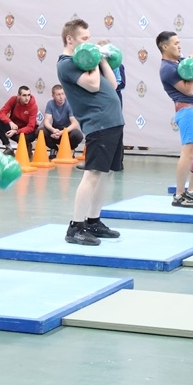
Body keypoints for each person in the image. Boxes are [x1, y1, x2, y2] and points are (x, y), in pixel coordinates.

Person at [57, 18, 124, 246]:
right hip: (98, 123)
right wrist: (93, 59)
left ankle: (93, 221)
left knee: (107, 173)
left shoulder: (86, 61)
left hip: (113, 121)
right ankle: (75, 227)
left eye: (89, 39)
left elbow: (112, 84)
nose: (89, 43)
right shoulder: (67, 64)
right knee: (93, 173)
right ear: (70, 39)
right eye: (84, 39)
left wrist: (102, 58)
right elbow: (93, 85)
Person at [156, 31, 193, 208]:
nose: (179, 46)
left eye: (179, 42)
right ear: (165, 46)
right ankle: (179, 195)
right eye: (175, 43)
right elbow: (188, 91)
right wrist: (192, 66)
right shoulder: (167, 68)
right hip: (188, 111)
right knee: (189, 152)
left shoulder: (181, 62)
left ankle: (192, 190)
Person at [0, 86, 39, 155]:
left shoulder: (33, 106)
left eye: (29, 95)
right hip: (14, 127)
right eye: (24, 95)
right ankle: (8, 148)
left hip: (27, 131)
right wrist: (10, 122)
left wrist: (16, 131)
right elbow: (0, 113)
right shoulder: (13, 100)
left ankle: (27, 146)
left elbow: (31, 127)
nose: (27, 98)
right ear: (18, 96)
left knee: (23, 140)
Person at [41, 84, 84, 157]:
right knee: (40, 132)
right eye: (58, 94)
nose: (61, 97)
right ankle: (54, 148)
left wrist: (63, 132)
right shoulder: (50, 104)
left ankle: (70, 149)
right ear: (53, 96)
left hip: (67, 131)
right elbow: (46, 122)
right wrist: (53, 130)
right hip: (55, 131)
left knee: (77, 135)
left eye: (62, 94)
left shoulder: (70, 103)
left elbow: (75, 123)